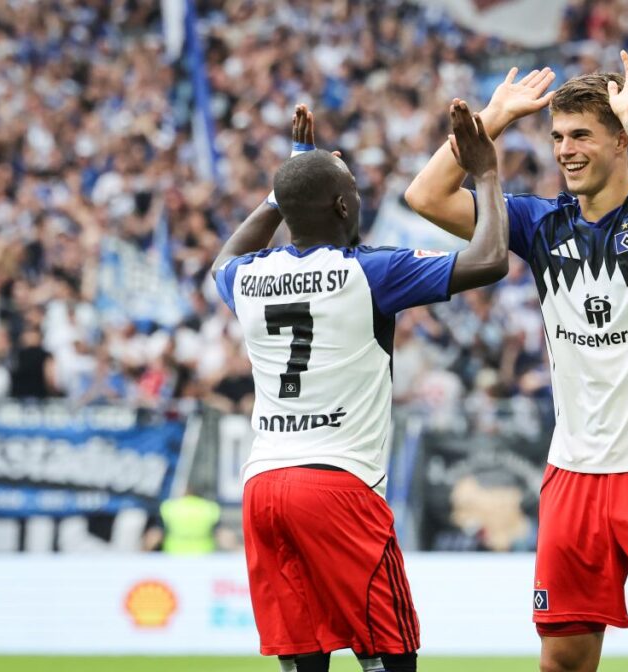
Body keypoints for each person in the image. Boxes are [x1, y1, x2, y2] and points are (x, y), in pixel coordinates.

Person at [406, 44, 628, 672]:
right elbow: (426, 197)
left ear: (619, 143)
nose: (565, 149)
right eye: (557, 136)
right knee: (564, 660)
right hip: (573, 476)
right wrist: (492, 120)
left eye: (582, 134)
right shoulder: (537, 223)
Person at [211, 100, 508, 672]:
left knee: (303, 657)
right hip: (336, 485)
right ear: (345, 204)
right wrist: (486, 172)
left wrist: (283, 187)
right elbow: (491, 258)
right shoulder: (368, 271)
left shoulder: (247, 277)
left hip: (264, 486)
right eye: (353, 187)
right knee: (388, 654)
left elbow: (227, 254)